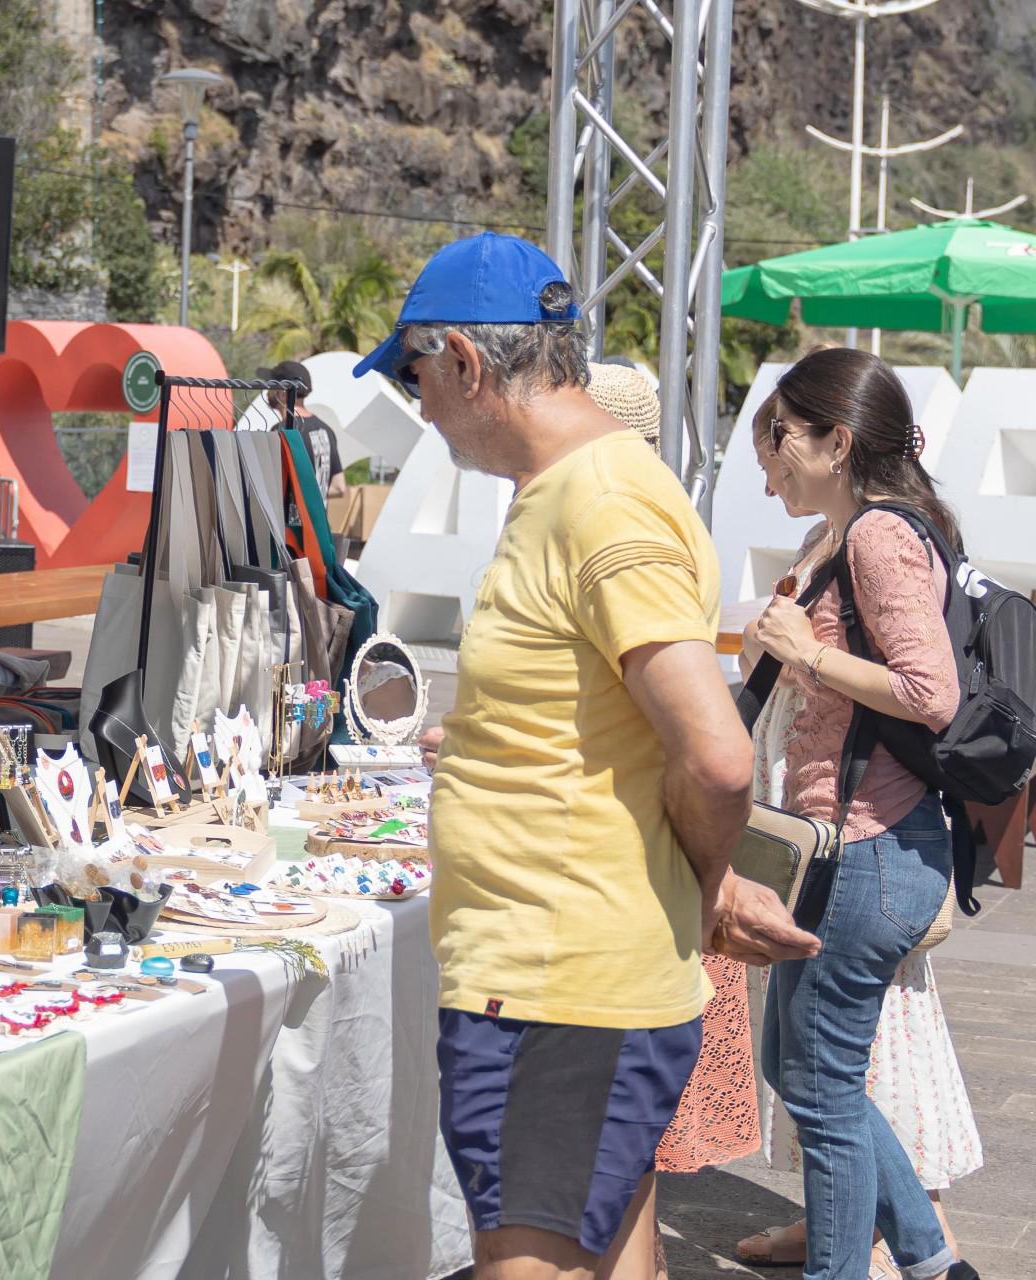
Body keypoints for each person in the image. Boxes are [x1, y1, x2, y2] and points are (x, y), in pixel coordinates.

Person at [353, 232, 816, 1280]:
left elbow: (717, 754)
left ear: (467, 364)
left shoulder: (600, 498)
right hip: (570, 975)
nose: (418, 404)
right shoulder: (574, 491)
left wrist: (705, 883)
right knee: (610, 1251)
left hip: (559, 982)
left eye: (415, 374)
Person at [743, 348, 980, 1280]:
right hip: (837, 849)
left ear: (836, 442)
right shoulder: (841, 538)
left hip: (873, 848)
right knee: (795, 1069)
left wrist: (807, 653)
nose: (767, 468)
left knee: (826, 1090)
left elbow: (931, 693)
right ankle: (929, 1257)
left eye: (778, 443)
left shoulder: (880, 536)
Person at [259, 359, 347, 503]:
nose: (268, 392)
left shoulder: (282, 431)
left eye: (271, 387)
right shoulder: (326, 430)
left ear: (282, 393)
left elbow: (269, 486)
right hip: (318, 524)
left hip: (290, 524)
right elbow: (339, 487)